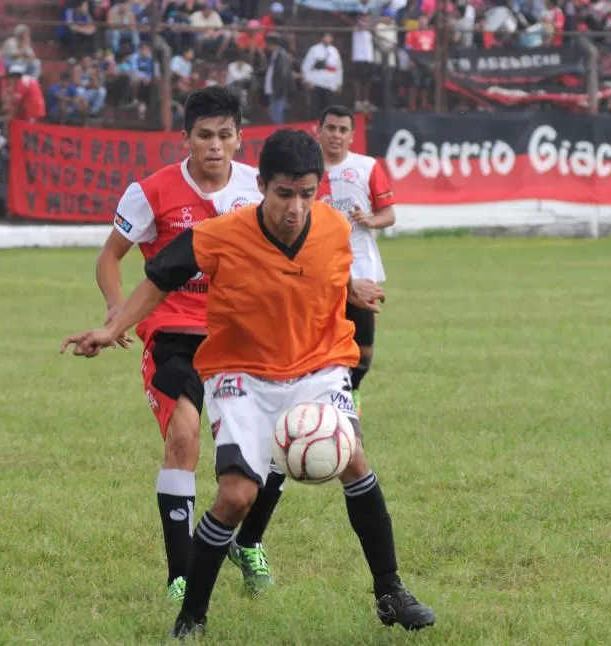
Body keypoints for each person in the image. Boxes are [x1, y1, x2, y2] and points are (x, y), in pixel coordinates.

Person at [61, 129, 436, 639]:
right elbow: (158, 280)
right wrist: (112, 327)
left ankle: (391, 592)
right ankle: (192, 615)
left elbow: (325, 271)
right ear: (261, 186)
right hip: (241, 376)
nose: (295, 207)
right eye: (284, 193)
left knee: (354, 459)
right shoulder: (220, 235)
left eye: (307, 194)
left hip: (319, 368)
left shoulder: (331, 227)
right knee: (236, 495)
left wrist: (352, 288)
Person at [94, 87, 284, 603]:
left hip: (243, 333)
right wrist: (117, 310)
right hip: (173, 331)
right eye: (205, 136)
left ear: (240, 139)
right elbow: (110, 258)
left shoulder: (260, 190)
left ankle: (248, 543)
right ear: (186, 138)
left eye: (225, 135)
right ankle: (181, 576)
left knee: (279, 446)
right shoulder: (151, 191)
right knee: (183, 437)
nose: (215, 146)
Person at [316, 105, 396, 415]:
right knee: (321, 337)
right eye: (331, 128)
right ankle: (327, 397)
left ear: (352, 136)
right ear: (319, 131)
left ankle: (355, 387)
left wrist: (369, 220)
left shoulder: (366, 167)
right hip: (319, 269)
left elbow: (389, 214)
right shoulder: (306, 168)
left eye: (342, 130)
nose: (336, 135)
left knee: (363, 346)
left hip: (360, 267)